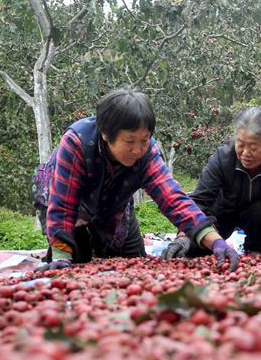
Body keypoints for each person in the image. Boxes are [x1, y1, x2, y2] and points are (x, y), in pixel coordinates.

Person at [32, 88, 239, 272]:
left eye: (144, 140)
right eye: (129, 141)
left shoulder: (147, 153)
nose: (138, 149)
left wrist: (216, 242)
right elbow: (63, 204)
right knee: (77, 259)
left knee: (135, 263)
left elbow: (173, 199)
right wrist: (61, 256)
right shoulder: (77, 143)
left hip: (115, 206)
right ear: (106, 134)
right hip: (68, 203)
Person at [161, 107, 261, 261]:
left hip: (260, 220)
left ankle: (255, 247)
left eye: (253, 148)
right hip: (222, 214)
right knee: (194, 249)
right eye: (240, 144)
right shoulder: (222, 158)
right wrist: (183, 237)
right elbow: (199, 201)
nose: (245, 153)